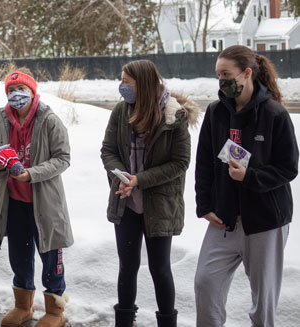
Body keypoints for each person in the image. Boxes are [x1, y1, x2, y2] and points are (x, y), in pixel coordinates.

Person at [194, 45, 298, 327]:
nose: (221, 81)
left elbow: (289, 168)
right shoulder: (216, 113)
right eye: (218, 75)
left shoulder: (275, 114)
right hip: (224, 220)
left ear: (247, 73)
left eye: (226, 74)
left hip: (265, 221)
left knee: (263, 303)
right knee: (205, 283)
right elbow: (203, 162)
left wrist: (250, 176)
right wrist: (204, 205)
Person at [100, 60, 199, 327]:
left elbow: (180, 163)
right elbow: (108, 150)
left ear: (142, 85)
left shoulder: (173, 115)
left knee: (160, 269)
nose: (122, 87)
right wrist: (120, 176)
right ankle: (124, 321)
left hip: (159, 205)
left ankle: (167, 322)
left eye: (126, 82)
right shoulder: (121, 111)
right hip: (126, 201)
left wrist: (139, 180)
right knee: (127, 267)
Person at [0, 71, 73, 327]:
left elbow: (63, 158)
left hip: (45, 203)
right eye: (11, 89)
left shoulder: (49, 120)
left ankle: (55, 311)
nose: (16, 94)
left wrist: (31, 174)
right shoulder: (0, 120)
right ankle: (23, 306)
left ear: (32, 91)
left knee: (50, 257)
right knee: (19, 257)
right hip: (13, 201)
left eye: (21, 88)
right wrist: (1, 166)